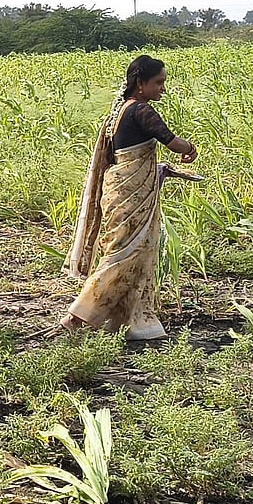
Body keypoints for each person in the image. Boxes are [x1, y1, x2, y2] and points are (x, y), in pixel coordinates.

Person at [61, 55, 198, 340]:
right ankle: (78, 316)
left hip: (117, 189)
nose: (162, 88)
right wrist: (190, 147)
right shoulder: (142, 111)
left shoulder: (119, 110)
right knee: (123, 256)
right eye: (158, 82)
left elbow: (127, 154)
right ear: (140, 83)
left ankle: (126, 320)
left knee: (124, 252)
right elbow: (172, 142)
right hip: (130, 194)